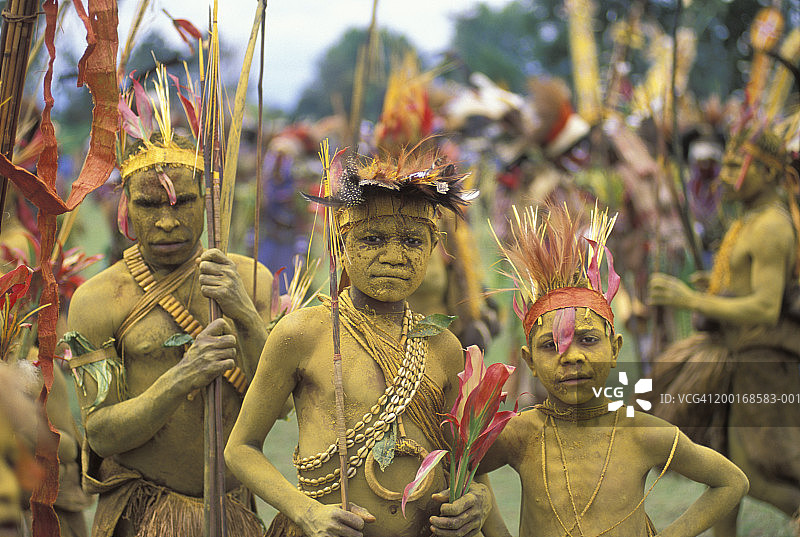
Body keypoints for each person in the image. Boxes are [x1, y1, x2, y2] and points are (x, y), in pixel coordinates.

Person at [226, 146, 501, 537]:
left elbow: (465, 462)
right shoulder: (302, 334)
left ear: (433, 249)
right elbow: (241, 449)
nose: (394, 256)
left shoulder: (443, 346)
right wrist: (307, 513)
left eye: (412, 242)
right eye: (372, 239)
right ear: (342, 242)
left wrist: (477, 501)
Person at [66, 78, 273, 536]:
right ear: (124, 206)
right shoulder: (96, 300)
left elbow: (280, 406)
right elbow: (100, 433)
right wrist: (184, 375)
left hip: (233, 509)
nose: (166, 221)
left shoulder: (252, 280)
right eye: (148, 204)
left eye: (183, 203)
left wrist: (243, 313)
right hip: (142, 514)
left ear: (209, 202)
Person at [479, 204, 748, 537]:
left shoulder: (642, 432)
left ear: (616, 349)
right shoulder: (521, 434)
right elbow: (466, 467)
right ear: (529, 361)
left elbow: (731, 482)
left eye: (588, 340)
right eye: (551, 346)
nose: (571, 356)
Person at [648, 126, 800, 535]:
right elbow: (751, 291)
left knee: (761, 474)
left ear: (768, 173)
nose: (726, 174)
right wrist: (714, 292)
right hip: (744, 358)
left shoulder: (771, 226)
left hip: (766, 362)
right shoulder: (748, 221)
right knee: (728, 470)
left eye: (737, 165)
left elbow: (766, 308)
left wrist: (690, 301)